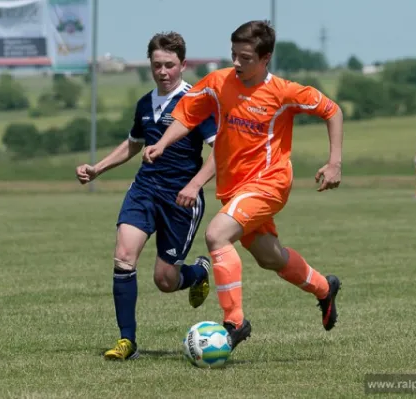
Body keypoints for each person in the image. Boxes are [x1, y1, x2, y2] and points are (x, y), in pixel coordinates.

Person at [143, 20, 343, 351]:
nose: (236, 62)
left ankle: (234, 323)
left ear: (265, 59)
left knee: (216, 234)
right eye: (233, 54)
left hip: (269, 183)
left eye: (245, 57)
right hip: (234, 188)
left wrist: (334, 162)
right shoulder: (219, 82)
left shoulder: (284, 92)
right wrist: (163, 143)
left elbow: (332, 111)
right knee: (270, 257)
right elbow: (187, 114)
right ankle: (325, 288)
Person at [76, 31, 218, 360]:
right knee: (123, 256)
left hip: (181, 198)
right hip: (144, 190)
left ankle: (198, 272)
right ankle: (127, 341)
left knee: (165, 281)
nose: (163, 71)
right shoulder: (144, 103)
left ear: (183, 65)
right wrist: (98, 168)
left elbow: (221, 151)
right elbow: (133, 143)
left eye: (170, 65)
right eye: (157, 65)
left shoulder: (198, 102)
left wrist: (195, 185)